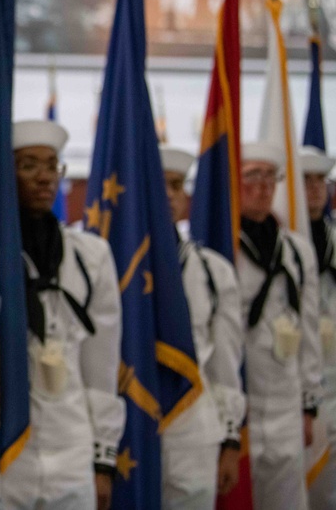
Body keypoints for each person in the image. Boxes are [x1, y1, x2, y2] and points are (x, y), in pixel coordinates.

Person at [0, 119, 124, 510]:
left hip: (72, 446)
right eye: (29, 166)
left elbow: (101, 363)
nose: (44, 178)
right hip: (7, 453)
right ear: (6, 174)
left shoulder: (90, 256)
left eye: (51, 166)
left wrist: (102, 458)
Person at [158, 146, 245, 508]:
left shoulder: (212, 270)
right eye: (158, 184)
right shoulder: (112, 267)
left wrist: (229, 439)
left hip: (195, 427)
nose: (167, 195)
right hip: (134, 426)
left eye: (176, 186)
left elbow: (225, 363)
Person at [237, 142, 322, 510]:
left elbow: (310, 329)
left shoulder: (296, 250)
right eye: (252, 176)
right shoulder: (220, 246)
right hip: (244, 407)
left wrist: (309, 404)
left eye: (270, 176)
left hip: (287, 404)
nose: (262, 186)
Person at [300, 146, 336, 510]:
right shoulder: (280, 247)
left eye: (320, 181)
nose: (314, 188)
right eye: (304, 180)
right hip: (298, 395)